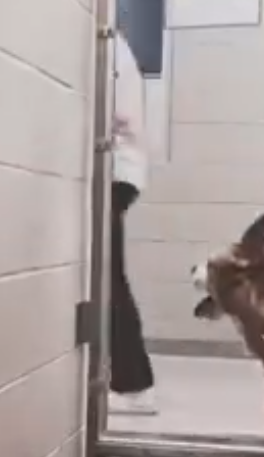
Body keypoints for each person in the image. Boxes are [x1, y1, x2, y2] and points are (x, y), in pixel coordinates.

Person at [108, 30, 157, 415]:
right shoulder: (112, 41)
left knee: (108, 275)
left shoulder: (107, 41)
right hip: (119, 170)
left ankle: (133, 386)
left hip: (114, 170)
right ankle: (127, 381)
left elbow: (118, 114)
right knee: (106, 274)